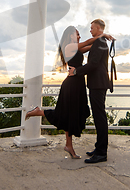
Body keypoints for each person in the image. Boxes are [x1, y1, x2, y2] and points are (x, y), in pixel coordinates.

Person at [25, 26, 113, 159]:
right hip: (72, 84)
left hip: (78, 83)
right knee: (66, 113)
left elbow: (91, 46)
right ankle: (38, 112)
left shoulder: (76, 48)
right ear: (71, 35)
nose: (79, 36)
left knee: (71, 114)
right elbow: (87, 43)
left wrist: (102, 43)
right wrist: (103, 35)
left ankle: (69, 145)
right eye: (77, 34)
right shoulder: (69, 47)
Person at [69, 19, 112, 164]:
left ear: (98, 28)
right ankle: (99, 148)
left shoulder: (99, 43)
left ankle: (101, 153)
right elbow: (85, 50)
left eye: (92, 28)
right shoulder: (99, 41)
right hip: (98, 84)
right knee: (99, 117)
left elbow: (93, 64)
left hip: (98, 85)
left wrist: (76, 72)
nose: (90, 30)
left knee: (100, 118)